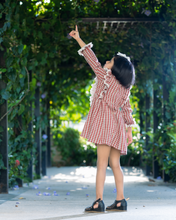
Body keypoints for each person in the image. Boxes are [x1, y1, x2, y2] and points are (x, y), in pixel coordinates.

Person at [69, 25, 136, 212]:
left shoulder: (104, 77)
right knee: (116, 164)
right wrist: (129, 130)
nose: (107, 61)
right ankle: (121, 200)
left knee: (101, 165)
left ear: (115, 68)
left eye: (111, 61)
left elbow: (91, 59)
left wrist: (78, 38)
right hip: (118, 127)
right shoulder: (125, 88)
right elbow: (127, 109)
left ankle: (98, 202)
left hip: (105, 125)